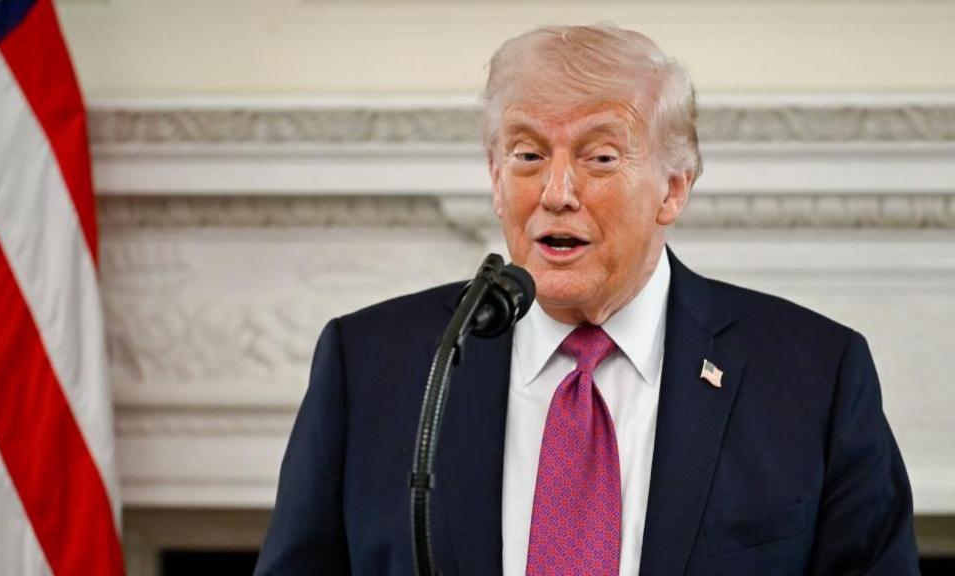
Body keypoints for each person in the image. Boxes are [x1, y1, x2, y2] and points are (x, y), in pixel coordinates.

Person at [254, 24, 919, 575]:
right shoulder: (373, 364)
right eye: (527, 156)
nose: (556, 192)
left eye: (600, 158)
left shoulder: (814, 375)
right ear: (494, 177)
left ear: (673, 189)